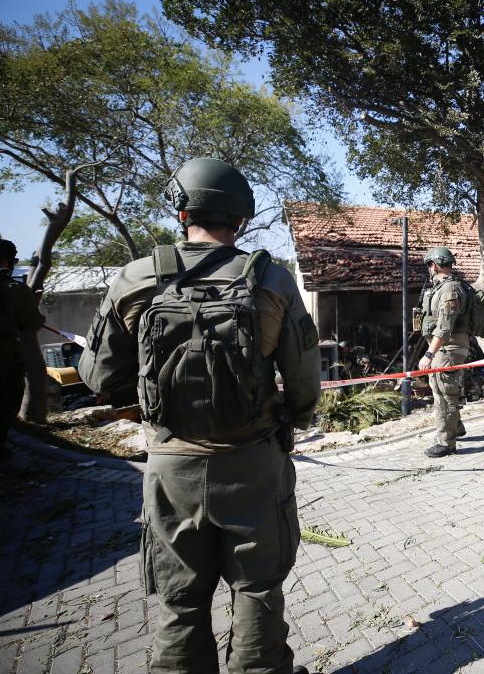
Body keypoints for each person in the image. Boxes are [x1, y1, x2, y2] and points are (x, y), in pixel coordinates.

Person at [78, 158, 321, 674]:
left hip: (170, 468)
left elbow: (97, 378)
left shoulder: (135, 278)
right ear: (242, 218)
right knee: (257, 585)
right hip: (255, 463)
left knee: (179, 595)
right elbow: (303, 379)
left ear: (181, 208)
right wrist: (296, 417)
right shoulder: (272, 279)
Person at [0, 238, 44, 464]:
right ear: (2, 259)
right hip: (1, 356)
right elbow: (32, 322)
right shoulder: (12, 288)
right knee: (7, 401)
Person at [418, 246, 470, 457]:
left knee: (443, 395)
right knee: (443, 390)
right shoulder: (442, 287)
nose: (429, 269)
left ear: (436, 264)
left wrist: (429, 354)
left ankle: (446, 443)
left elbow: (445, 328)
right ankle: (456, 428)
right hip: (443, 348)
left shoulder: (450, 290)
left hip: (448, 350)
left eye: (430, 265)